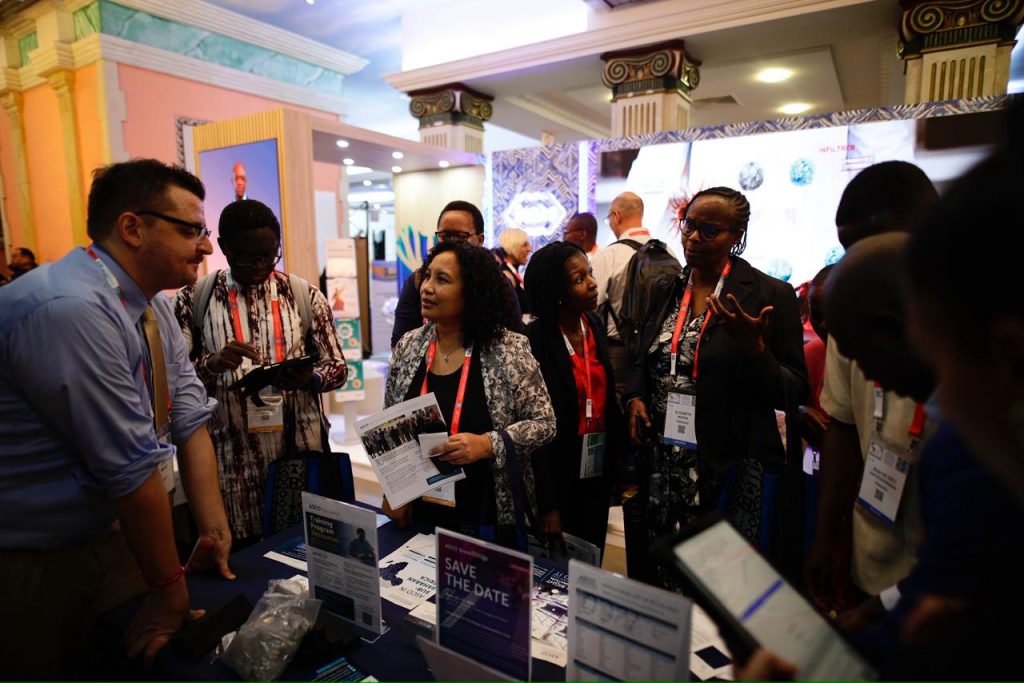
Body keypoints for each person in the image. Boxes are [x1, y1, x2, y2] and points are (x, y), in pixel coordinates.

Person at [0, 159, 234, 677]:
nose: (205, 247)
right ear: (132, 228)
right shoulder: (72, 308)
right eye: (191, 230)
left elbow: (189, 414)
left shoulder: (149, 304)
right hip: (35, 556)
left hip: (114, 534)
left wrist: (213, 529)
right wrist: (169, 591)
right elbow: (130, 466)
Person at [623, 186, 807, 585]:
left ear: (736, 235)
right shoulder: (667, 288)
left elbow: (793, 391)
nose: (693, 237)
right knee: (660, 575)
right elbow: (644, 355)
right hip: (664, 461)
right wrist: (635, 396)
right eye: (688, 225)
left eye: (709, 230)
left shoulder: (768, 294)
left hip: (725, 464)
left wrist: (756, 351)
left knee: (718, 584)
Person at [805, 161, 940, 614]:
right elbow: (842, 425)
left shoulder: (983, 346)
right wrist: (825, 537)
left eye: (870, 244)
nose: (857, 260)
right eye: (849, 249)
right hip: (875, 554)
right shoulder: (855, 305)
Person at [174, 199, 348, 544]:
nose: (260, 265)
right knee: (240, 559)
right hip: (229, 464)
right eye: (247, 257)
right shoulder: (193, 301)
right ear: (224, 247)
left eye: (269, 255)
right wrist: (212, 365)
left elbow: (338, 367)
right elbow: (174, 384)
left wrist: (311, 378)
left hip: (298, 455)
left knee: (303, 550)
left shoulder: (303, 296)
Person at [383, 240, 555, 542]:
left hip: (487, 511)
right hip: (421, 510)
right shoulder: (409, 345)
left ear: (471, 291)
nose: (427, 287)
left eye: (442, 280)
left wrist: (487, 444)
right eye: (427, 276)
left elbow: (544, 424)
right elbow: (391, 423)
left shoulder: (509, 348)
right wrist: (393, 490)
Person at [524, 241, 625, 550]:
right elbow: (534, 430)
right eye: (579, 279)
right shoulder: (534, 340)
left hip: (596, 463)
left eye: (590, 272)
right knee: (558, 562)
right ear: (556, 291)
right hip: (558, 469)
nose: (593, 283)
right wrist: (548, 504)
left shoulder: (592, 323)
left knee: (592, 552)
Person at [391, 200, 521, 347]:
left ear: (480, 240)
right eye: (444, 236)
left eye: (461, 236)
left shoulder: (496, 283)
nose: (451, 243)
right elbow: (400, 343)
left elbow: (513, 339)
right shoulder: (419, 280)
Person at [590, 191, 655, 398]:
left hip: (620, 351)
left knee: (620, 403)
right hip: (656, 350)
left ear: (616, 216)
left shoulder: (610, 255)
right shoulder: (667, 253)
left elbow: (591, 302)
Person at [497, 226, 532, 317]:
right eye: (525, 245)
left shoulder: (510, 272)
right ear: (513, 247)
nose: (529, 249)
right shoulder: (507, 275)